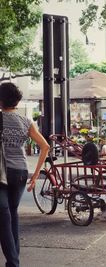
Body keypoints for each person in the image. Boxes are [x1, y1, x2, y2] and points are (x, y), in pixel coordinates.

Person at [0, 82, 50, 267]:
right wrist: (35, 176)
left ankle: (13, 263)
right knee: (10, 213)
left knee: (4, 216)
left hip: (2, 173)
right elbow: (45, 147)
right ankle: (13, 261)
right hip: (21, 173)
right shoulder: (26, 121)